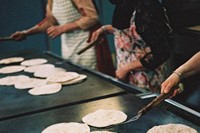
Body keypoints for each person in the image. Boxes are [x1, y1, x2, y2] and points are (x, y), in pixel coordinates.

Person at [10, 0, 115, 76]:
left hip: (87, 44)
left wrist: (63, 28)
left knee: (93, 80)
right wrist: (26, 33)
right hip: (68, 46)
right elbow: (50, 22)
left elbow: (92, 17)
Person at [90, 0, 172, 92]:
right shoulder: (124, 4)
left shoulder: (148, 7)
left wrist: (126, 69)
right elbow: (129, 30)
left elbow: (162, 52)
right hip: (124, 74)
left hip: (145, 80)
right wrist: (104, 29)